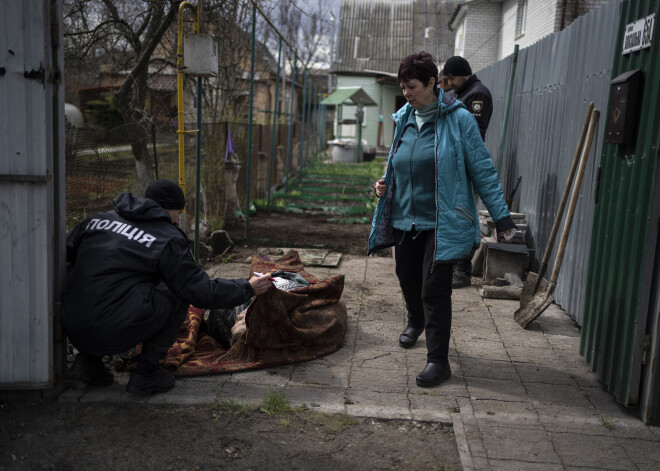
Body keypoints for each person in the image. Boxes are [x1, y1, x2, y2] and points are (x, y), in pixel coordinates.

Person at [368, 52, 515, 388]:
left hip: (442, 221)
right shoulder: (404, 117)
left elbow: (482, 168)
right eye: (403, 86)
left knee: (434, 289)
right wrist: (383, 184)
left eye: (412, 86)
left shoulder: (459, 119)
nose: (406, 92)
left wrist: (502, 217)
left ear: (433, 84)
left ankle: (438, 360)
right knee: (406, 278)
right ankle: (414, 321)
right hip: (405, 219)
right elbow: (400, 162)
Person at [62, 179, 273, 394]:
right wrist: (248, 287)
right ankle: (146, 373)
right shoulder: (167, 237)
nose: (177, 220)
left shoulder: (98, 220)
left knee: (102, 280)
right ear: (170, 209)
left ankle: (87, 363)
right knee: (177, 292)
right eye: (178, 214)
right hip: (113, 329)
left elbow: (64, 254)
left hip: (72, 325)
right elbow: (199, 291)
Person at [442, 55, 494, 288]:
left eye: (451, 78)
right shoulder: (460, 94)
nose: (449, 83)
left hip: (465, 167)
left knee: (464, 217)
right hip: (453, 166)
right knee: (454, 216)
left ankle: (462, 271)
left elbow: (471, 135)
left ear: (463, 74)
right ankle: (453, 265)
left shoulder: (477, 95)